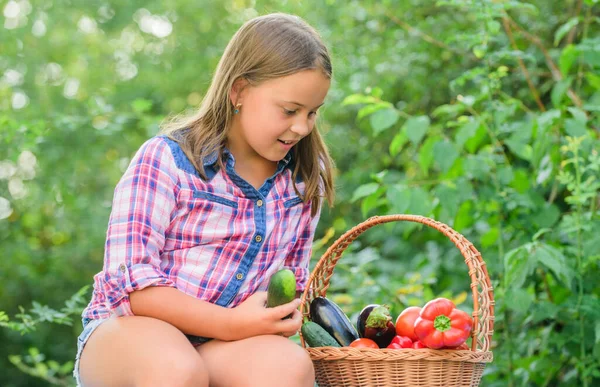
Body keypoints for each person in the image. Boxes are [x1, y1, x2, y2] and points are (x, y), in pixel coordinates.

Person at [73, 12, 335, 387]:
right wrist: (231, 322)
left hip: (222, 346)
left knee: (288, 369)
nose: (302, 127)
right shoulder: (167, 160)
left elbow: (285, 288)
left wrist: (279, 318)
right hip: (132, 335)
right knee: (175, 370)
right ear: (239, 91)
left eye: (312, 113)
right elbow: (132, 288)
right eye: (290, 110)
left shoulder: (299, 183)